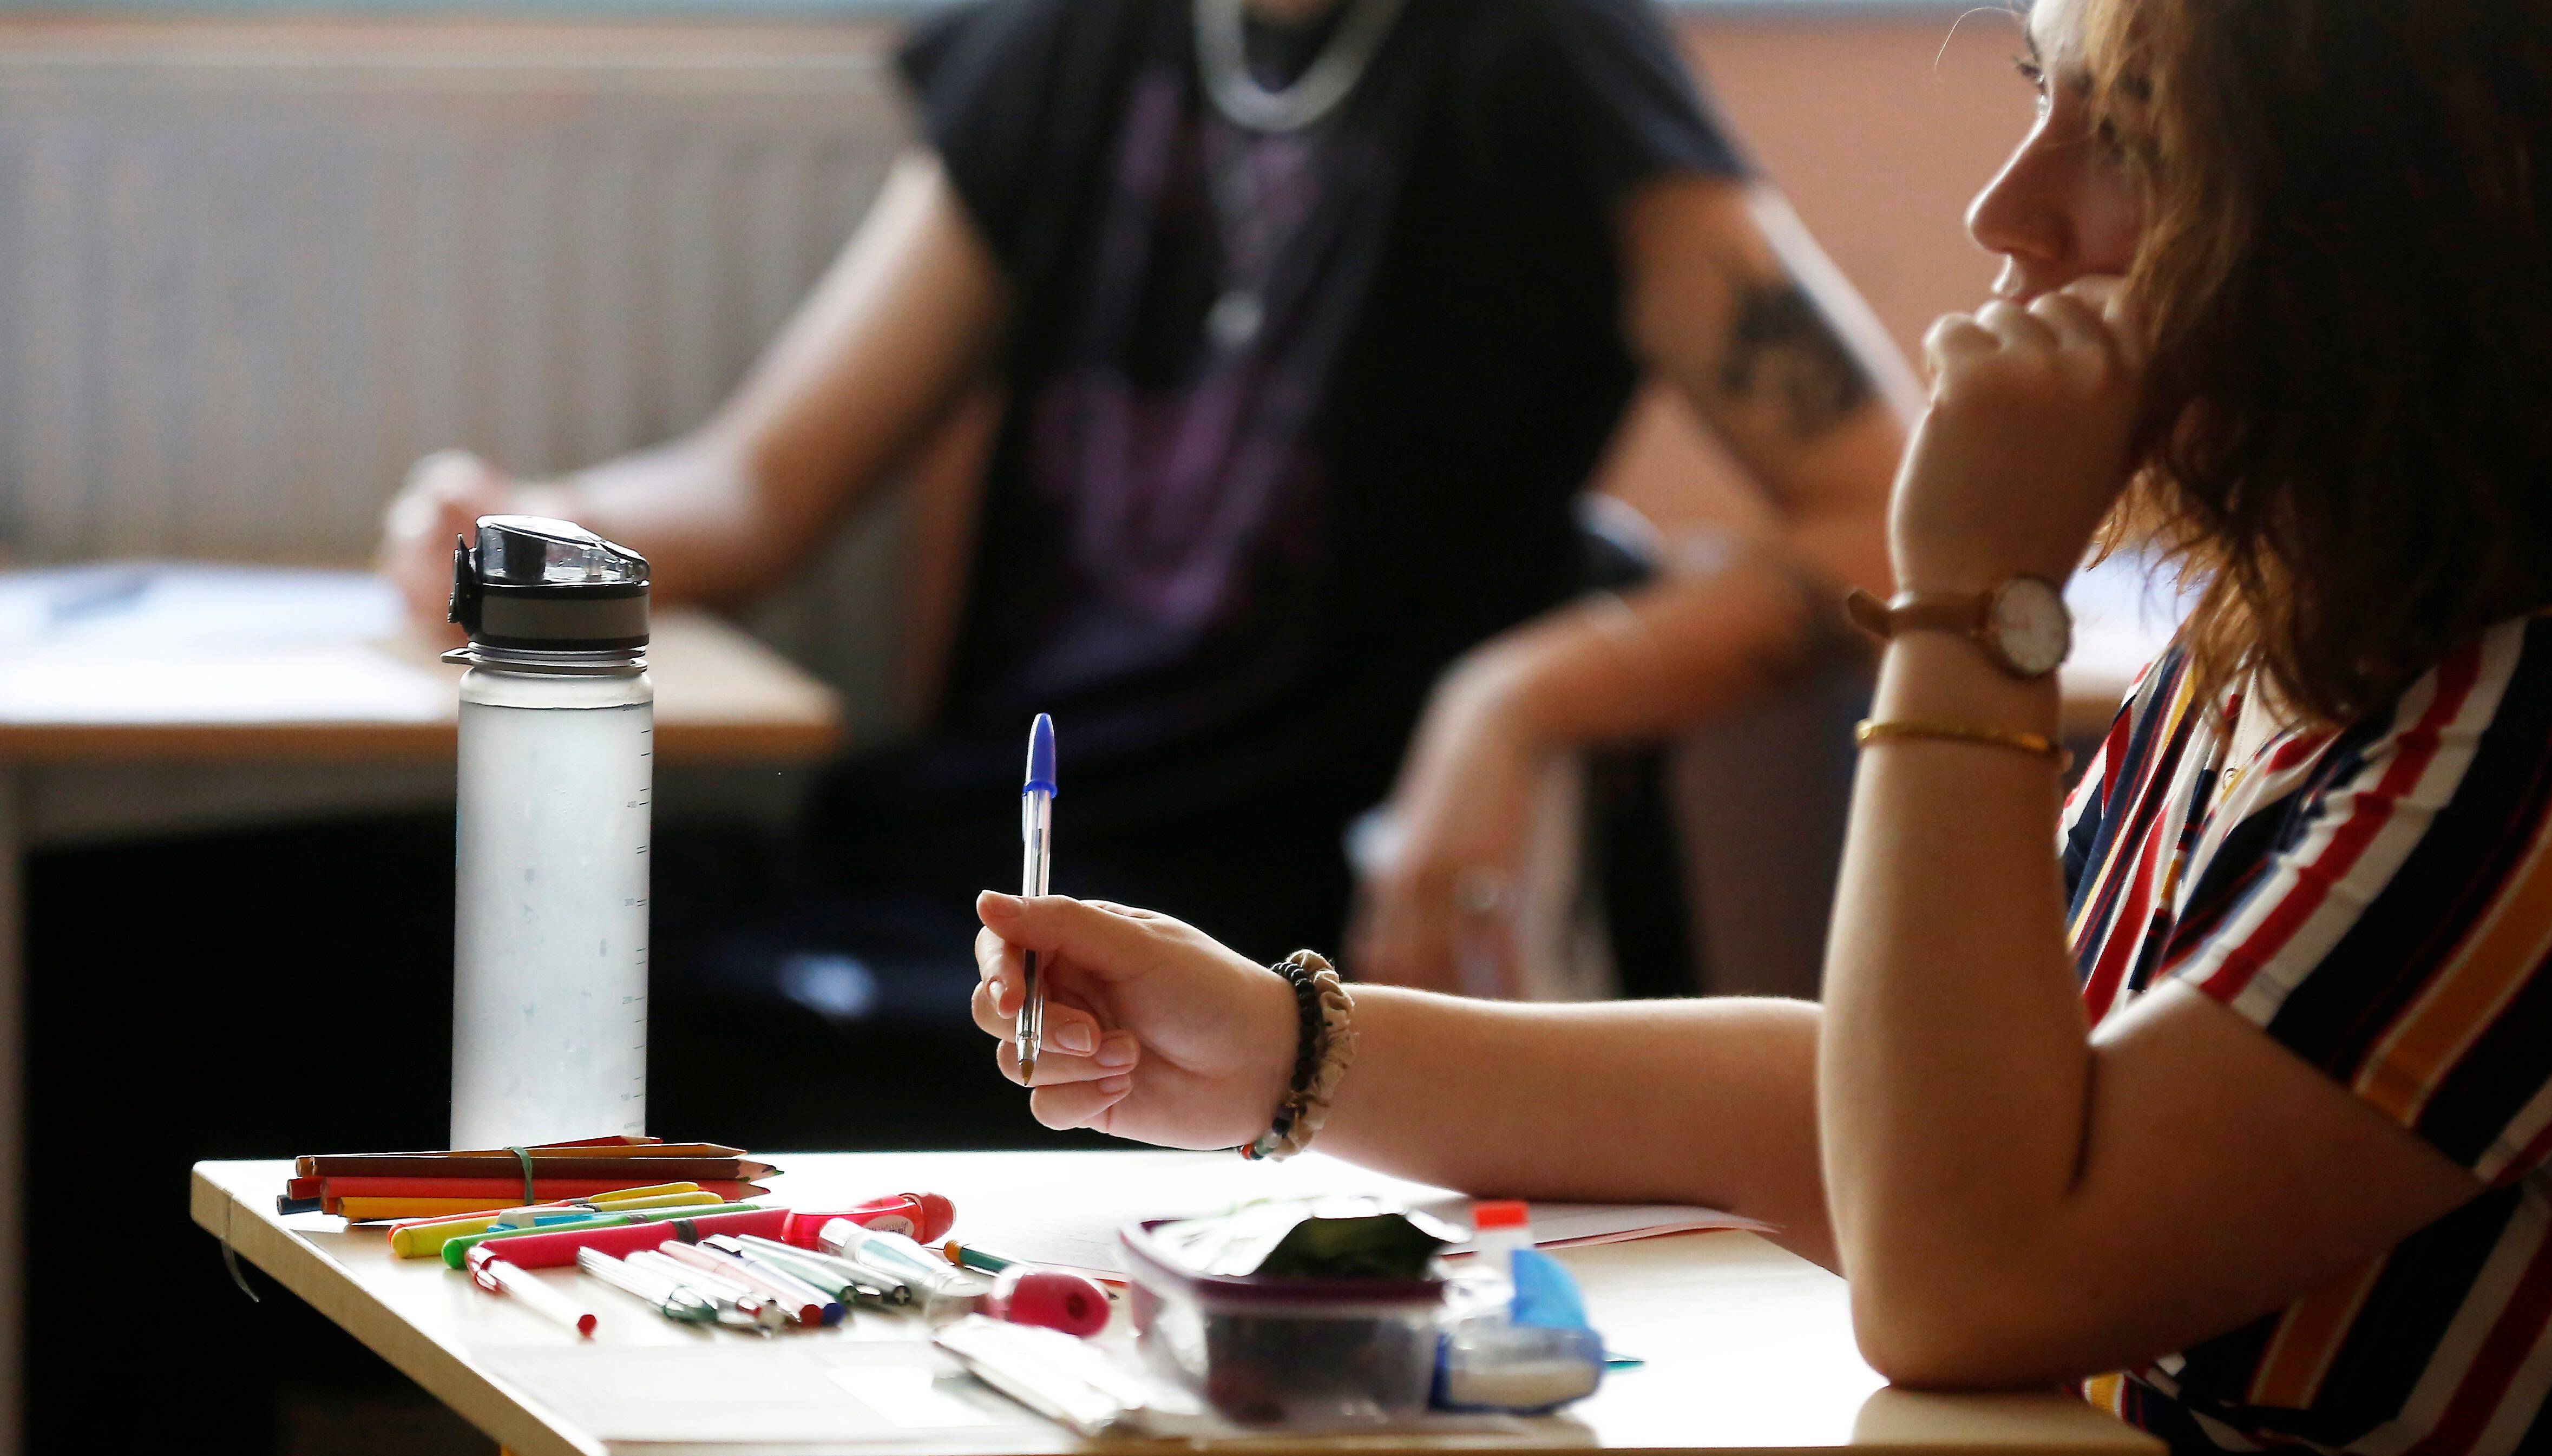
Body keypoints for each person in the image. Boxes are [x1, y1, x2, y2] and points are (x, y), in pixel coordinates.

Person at [965, 0, 2552, 1456]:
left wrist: (1968, 607)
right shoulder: (2300, 650)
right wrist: (1283, 1049)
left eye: (2128, 134)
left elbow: (1961, 1272)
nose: (2010, 210)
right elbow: (1920, 1126)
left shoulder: (2549, 737)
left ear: (2396, 216)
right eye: (2031, 99)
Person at [377, 0, 1912, 1007]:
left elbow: (1895, 522)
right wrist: (521, 535)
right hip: (943, 877)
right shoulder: (1075, 38)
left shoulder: (1540, 54)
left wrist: (1513, 699)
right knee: (200, 956)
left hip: (1214, 970)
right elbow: (756, 487)